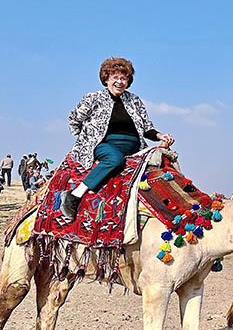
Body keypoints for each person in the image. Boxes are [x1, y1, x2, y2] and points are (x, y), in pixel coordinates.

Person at [60, 57, 174, 221]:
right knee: (115, 160)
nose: (120, 81)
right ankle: (74, 195)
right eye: (115, 77)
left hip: (135, 147)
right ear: (106, 78)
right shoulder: (94, 98)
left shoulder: (134, 101)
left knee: (162, 165)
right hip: (105, 145)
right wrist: (85, 138)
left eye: (124, 78)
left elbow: (147, 128)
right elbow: (74, 119)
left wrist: (160, 136)